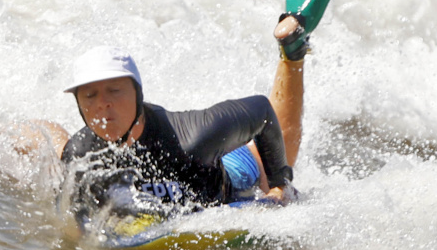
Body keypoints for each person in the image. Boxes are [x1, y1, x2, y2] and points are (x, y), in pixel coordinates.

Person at [23, 14, 312, 231]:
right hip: (156, 210)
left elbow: (261, 111)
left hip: (229, 181)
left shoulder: (196, 137)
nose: (103, 104)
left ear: (138, 94)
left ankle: (292, 54)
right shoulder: (82, 154)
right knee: (61, 155)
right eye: (90, 95)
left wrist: (277, 185)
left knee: (279, 162)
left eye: (114, 91)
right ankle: (29, 128)